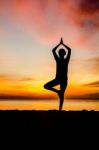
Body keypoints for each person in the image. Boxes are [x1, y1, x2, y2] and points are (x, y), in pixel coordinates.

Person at [44, 38, 71, 111]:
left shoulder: (63, 60)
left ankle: (60, 109)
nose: (60, 54)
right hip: (59, 79)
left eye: (61, 53)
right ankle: (60, 108)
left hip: (62, 80)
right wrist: (62, 44)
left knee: (61, 95)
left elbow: (53, 50)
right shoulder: (62, 60)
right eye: (60, 53)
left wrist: (60, 44)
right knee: (60, 94)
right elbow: (69, 50)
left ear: (62, 54)